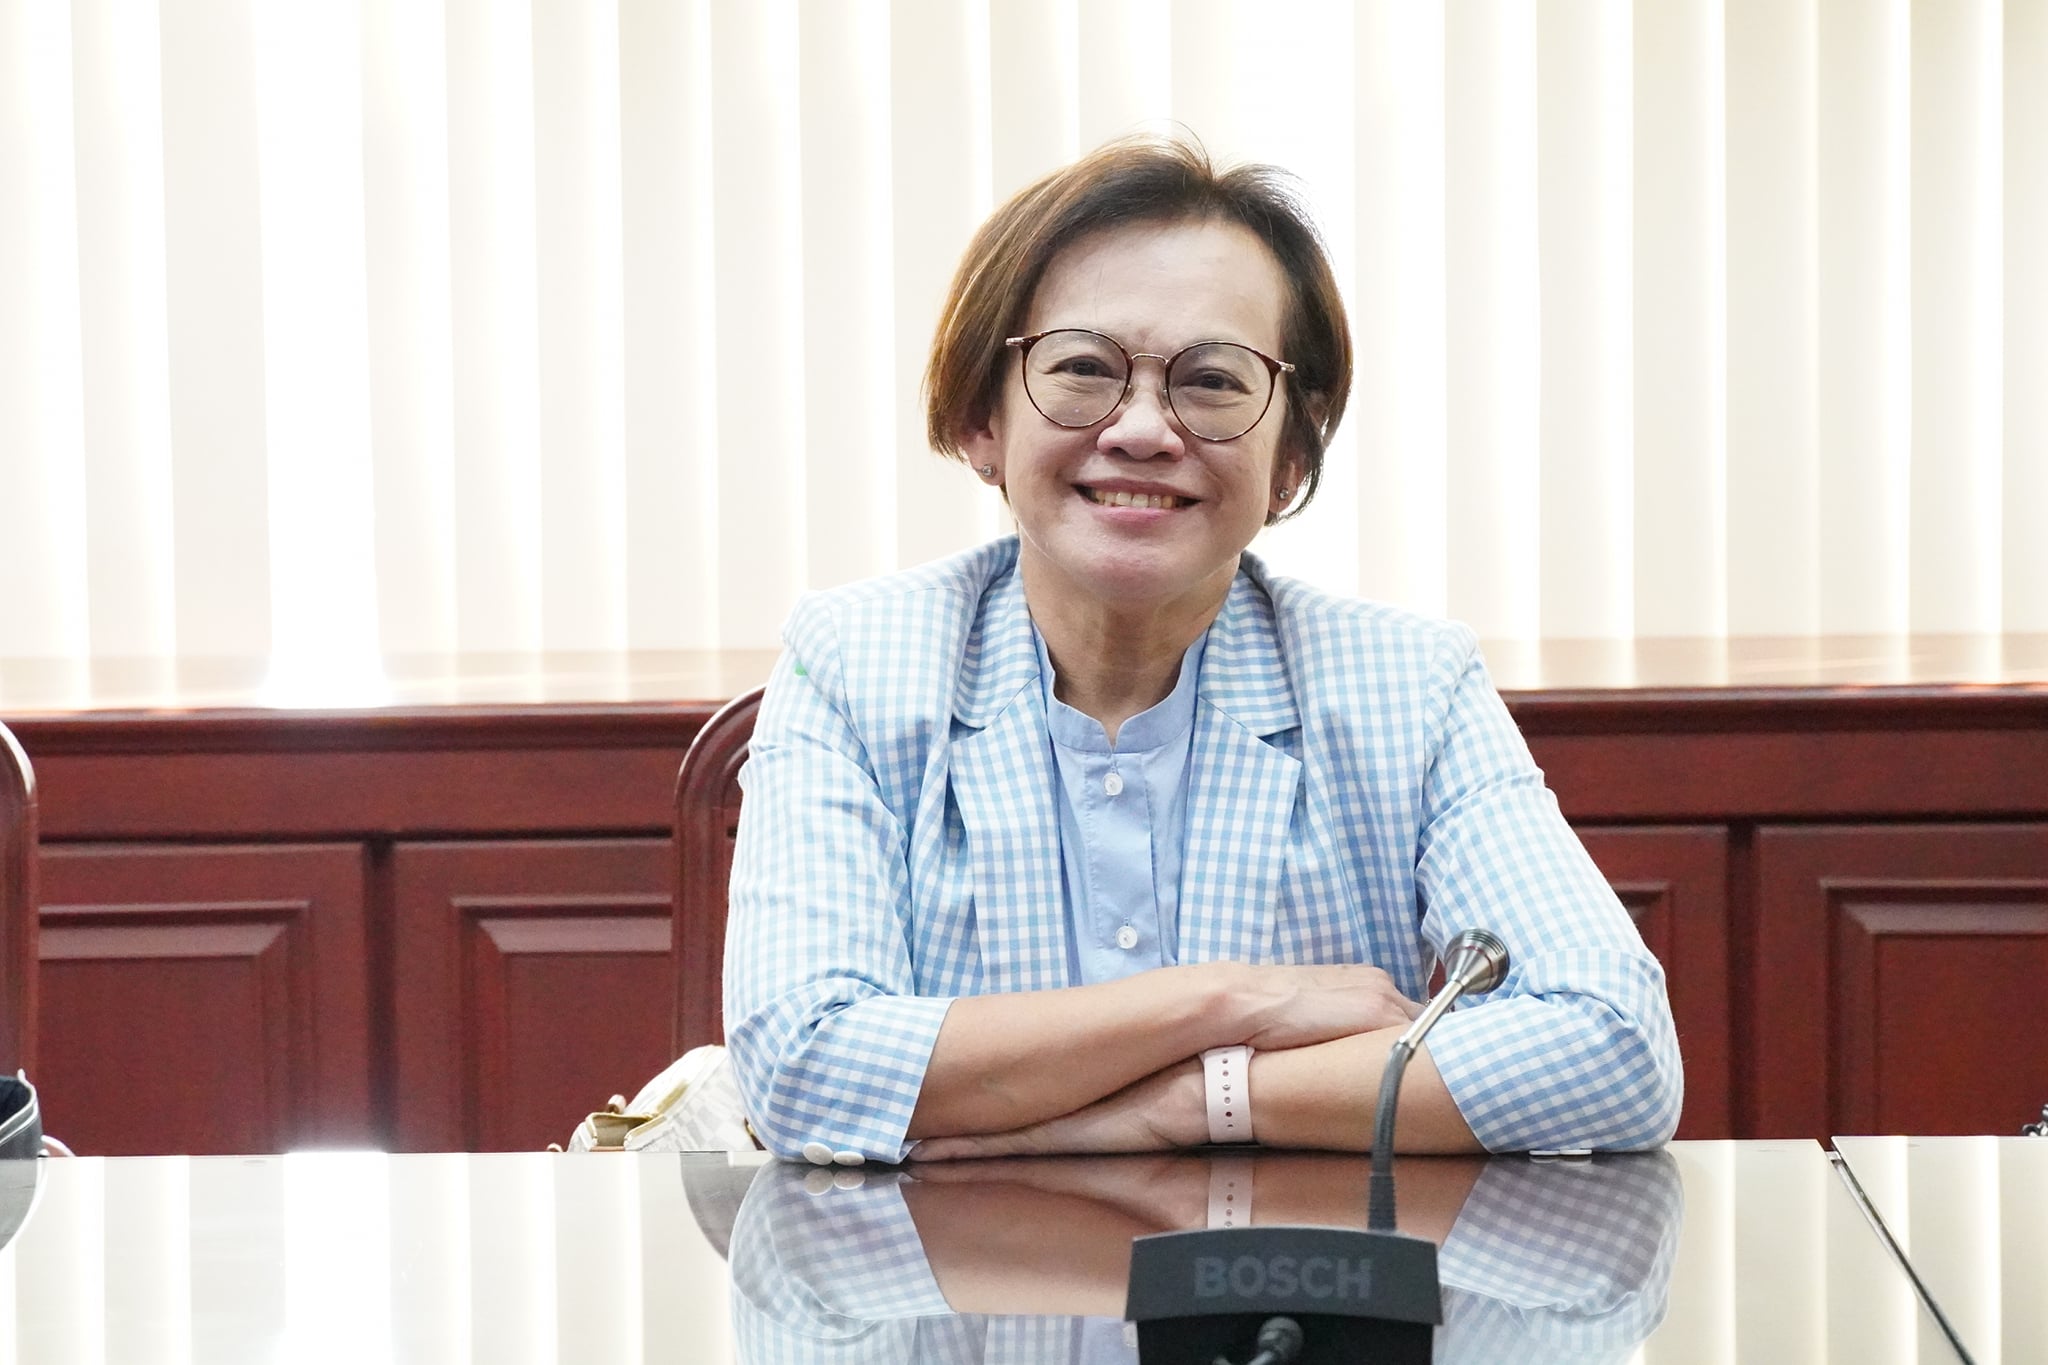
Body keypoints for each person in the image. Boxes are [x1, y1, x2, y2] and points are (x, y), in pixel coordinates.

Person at [722, 135, 1682, 1166]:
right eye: (1082, 368)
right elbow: (800, 1064)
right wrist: (1232, 1000)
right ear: (979, 421)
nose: (1142, 429)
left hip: (1294, 1268)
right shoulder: (853, 664)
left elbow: (1612, 1047)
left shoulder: (1408, 684)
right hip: (950, 1276)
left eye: (1214, 381)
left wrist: (1193, 1103)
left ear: (1291, 457)